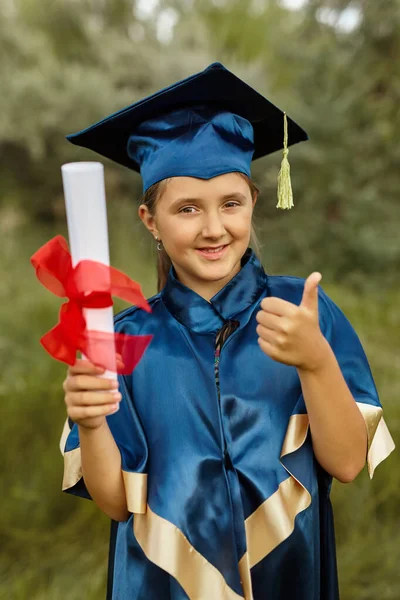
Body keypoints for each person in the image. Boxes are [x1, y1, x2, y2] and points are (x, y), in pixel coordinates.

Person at [60, 63, 395, 600]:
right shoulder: (122, 337)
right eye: (187, 209)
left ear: (253, 203)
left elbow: (348, 464)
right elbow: (116, 503)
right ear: (151, 221)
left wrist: (314, 360)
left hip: (289, 578)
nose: (214, 228)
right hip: (160, 583)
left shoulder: (302, 315)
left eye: (231, 204)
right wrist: (92, 423)